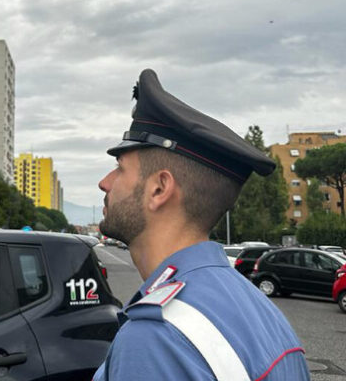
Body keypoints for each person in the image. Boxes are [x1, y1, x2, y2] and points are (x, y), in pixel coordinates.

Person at [93, 69, 309, 381]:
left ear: (158, 189)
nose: (105, 183)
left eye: (119, 169)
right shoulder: (264, 314)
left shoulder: (157, 338)